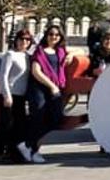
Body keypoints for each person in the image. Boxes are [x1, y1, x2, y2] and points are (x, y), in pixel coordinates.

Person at [16, 26, 72, 164]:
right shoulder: (39, 51)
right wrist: (52, 86)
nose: (54, 37)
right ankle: (33, 151)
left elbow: (80, 50)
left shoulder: (60, 51)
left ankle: (26, 144)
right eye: (51, 34)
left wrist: (70, 54)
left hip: (54, 88)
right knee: (38, 117)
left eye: (57, 35)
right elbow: (36, 71)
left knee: (56, 119)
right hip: (39, 88)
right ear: (46, 35)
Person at [0, 29, 33, 161]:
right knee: (6, 124)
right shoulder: (10, 55)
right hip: (9, 95)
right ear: (16, 40)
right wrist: (7, 95)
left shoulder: (28, 56)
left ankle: (12, 151)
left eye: (27, 39)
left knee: (19, 125)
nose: (24, 42)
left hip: (21, 96)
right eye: (21, 39)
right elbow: (3, 76)